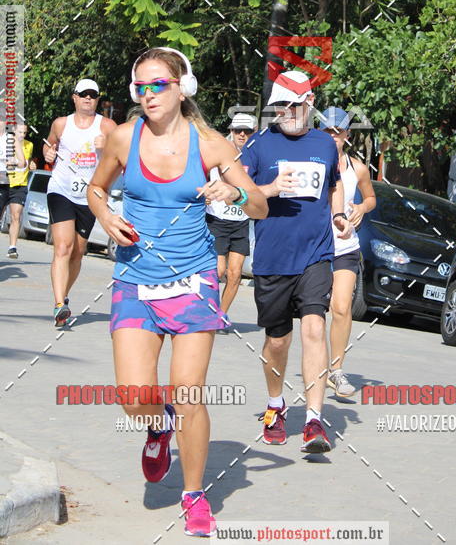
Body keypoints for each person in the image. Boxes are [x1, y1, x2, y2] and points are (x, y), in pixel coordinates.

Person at [87, 47, 267, 538]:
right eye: (140, 87)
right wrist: (104, 216)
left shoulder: (210, 145)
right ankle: (158, 423)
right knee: (131, 396)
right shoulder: (123, 137)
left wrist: (233, 192)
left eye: (157, 85)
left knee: (189, 394)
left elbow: (259, 206)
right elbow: (96, 190)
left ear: (181, 87)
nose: (147, 95)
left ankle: (193, 495)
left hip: (193, 285)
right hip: (134, 281)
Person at [242, 70, 351, 454]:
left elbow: (334, 184)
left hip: (316, 254)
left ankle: (314, 420)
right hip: (272, 259)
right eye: (278, 105)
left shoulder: (326, 145)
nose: (284, 112)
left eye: (290, 104)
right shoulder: (258, 145)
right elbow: (238, 192)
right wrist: (268, 190)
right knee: (277, 341)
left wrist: (338, 215)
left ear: (309, 103)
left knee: (314, 330)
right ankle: (275, 405)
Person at [44, 79, 116, 327]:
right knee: (63, 247)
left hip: (90, 194)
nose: (88, 99)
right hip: (61, 190)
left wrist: (107, 147)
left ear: (97, 99)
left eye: (93, 95)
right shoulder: (61, 123)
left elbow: (122, 157)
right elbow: (49, 145)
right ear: (74, 97)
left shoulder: (106, 126)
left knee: (78, 252)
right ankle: (59, 305)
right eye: (83, 94)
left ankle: (63, 294)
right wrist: (48, 154)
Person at [319, 107, 376, 399]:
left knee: (341, 307)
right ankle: (315, 367)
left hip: (345, 245)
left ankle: (337, 370)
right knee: (314, 311)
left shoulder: (358, 168)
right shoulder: (312, 164)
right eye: (327, 131)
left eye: (338, 132)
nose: (333, 137)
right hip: (315, 245)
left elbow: (370, 198)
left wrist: (361, 209)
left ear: (347, 135)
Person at [206, 112, 258, 330]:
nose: (242, 135)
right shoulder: (219, 152)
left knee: (235, 273)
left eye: (247, 131)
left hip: (240, 221)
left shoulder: (256, 157)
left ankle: (220, 316)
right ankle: (207, 312)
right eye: (238, 130)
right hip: (217, 219)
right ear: (231, 131)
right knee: (218, 271)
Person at [6, 122, 36, 259]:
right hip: (5, 182)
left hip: (20, 185)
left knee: (16, 215)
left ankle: (12, 247)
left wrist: (31, 164)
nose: (22, 135)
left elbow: (27, 163)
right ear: (14, 131)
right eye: (20, 132)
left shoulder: (29, 145)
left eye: (24, 133)